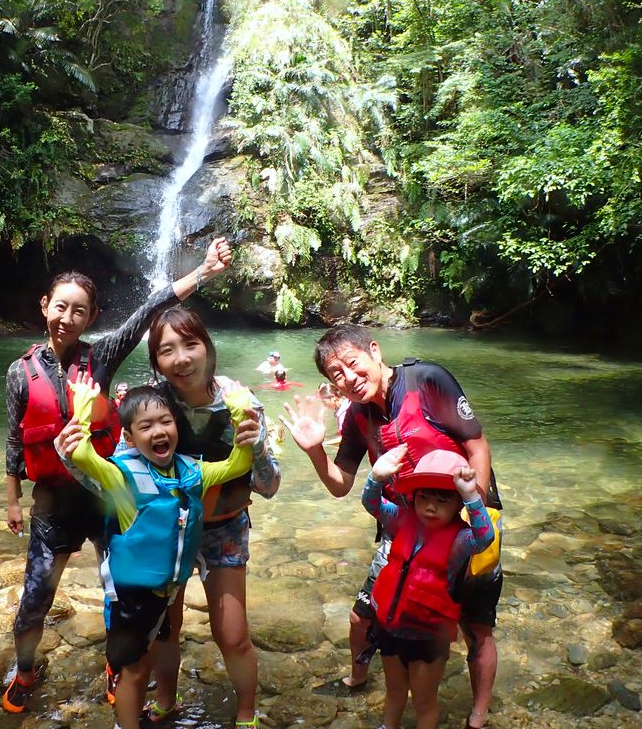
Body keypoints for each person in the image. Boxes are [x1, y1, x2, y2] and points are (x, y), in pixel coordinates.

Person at [2, 238, 233, 713]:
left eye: (80, 311)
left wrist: (205, 272)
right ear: (45, 306)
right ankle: (25, 670)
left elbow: (151, 308)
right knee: (35, 598)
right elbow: (13, 438)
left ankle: (118, 662)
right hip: (52, 500)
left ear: (91, 318)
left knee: (121, 589)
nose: (67, 318)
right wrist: (11, 499)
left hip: (107, 493)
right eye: (61, 307)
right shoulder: (19, 372)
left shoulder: (101, 356)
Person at [282, 325, 501, 729]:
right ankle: (360, 677)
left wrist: (473, 516)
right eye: (337, 375)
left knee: (476, 626)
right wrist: (314, 452)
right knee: (364, 614)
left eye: (352, 364)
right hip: (402, 523)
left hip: (465, 514)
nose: (348, 379)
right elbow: (340, 485)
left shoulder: (427, 381)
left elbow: (477, 445)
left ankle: (479, 713)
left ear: (375, 351)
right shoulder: (357, 417)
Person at [54, 382, 256, 729]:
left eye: (166, 421)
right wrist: (82, 411)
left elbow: (238, 465)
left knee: (157, 650)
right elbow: (82, 455)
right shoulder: (120, 475)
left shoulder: (194, 472)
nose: (159, 431)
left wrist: (240, 413)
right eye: (145, 426)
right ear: (129, 439)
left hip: (167, 593)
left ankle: (166, 705)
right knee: (135, 670)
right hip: (133, 600)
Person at [143, 306, 280, 728]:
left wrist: (255, 446)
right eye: (168, 350)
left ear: (207, 347)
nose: (181, 358)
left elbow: (270, 485)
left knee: (232, 634)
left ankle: (245, 714)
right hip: (169, 528)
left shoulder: (242, 402)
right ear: (157, 361)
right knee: (165, 627)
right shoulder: (152, 403)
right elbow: (126, 470)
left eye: (190, 344)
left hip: (225, 528)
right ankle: (167, 700)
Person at [362, 446, 495, 729]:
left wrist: (471, 494)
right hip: (391, 628)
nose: (431, 507)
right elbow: (372, 504)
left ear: (457, 504)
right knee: (394, 693)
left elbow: (485, 537)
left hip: (427, 637)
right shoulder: (402, 519)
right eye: (424, 498)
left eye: (442, 500)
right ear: (414, 497)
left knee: (424, 703)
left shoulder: (459, 540)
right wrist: (375, 476)